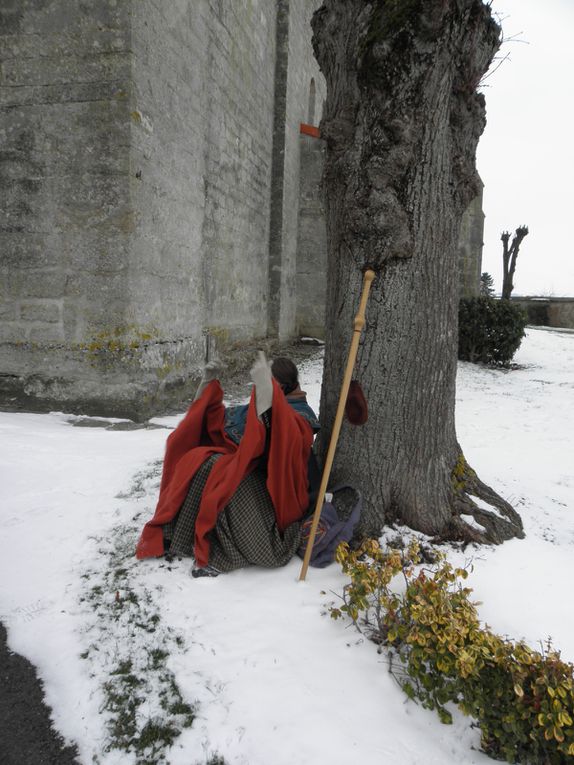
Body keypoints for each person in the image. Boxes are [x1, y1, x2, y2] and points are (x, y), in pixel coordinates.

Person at [135, 353, 320, 577]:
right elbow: (214, 422)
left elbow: (284, 441)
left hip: (274, 496)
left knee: (227, 479)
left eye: (271, 385)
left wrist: (266, 394)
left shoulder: (302, 416)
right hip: (249, 474)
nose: (263, 389)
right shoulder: (269, 400)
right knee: (202, 460)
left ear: (284, 387)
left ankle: (222, 556)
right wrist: (207, 383)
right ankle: (178, 536)